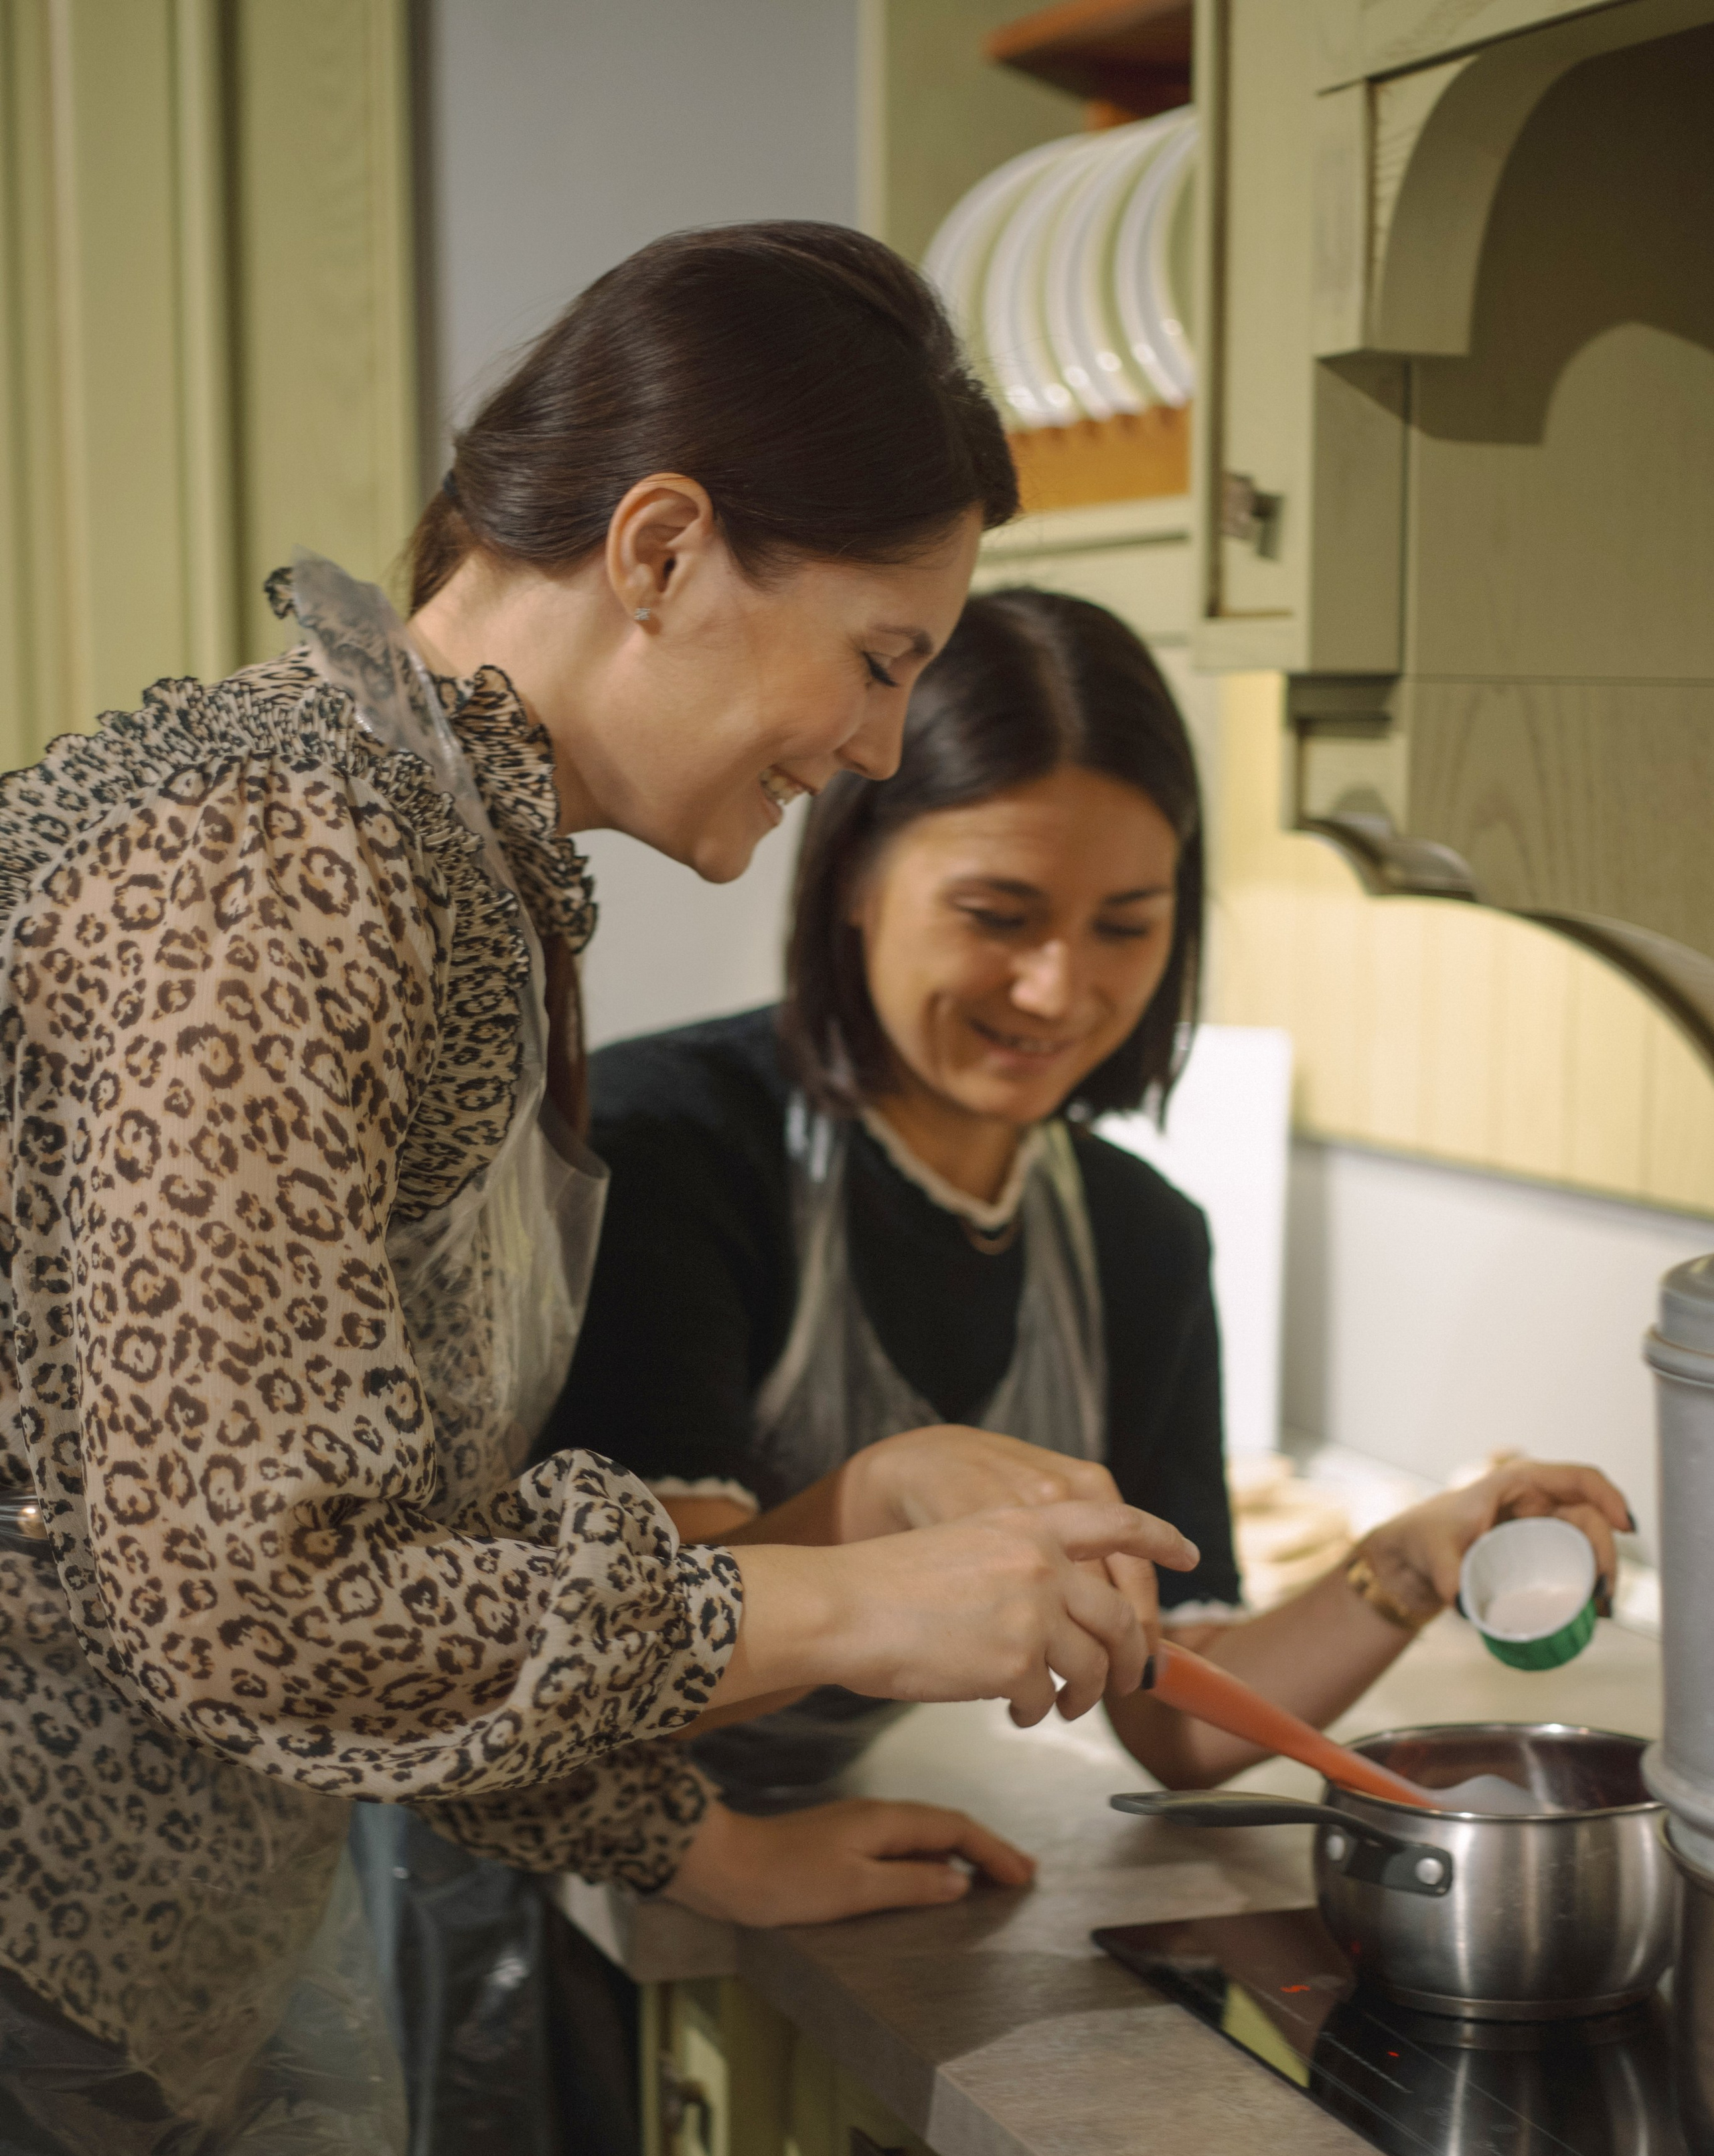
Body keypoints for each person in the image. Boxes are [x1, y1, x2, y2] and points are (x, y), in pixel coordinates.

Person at [0, 226, 1199, 2156]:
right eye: (880, 659)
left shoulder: (439, 853)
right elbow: (259, 1604)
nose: (876, 746)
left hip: (159, 2019)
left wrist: (707, 1794)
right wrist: (843, 1608)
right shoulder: (290, 858)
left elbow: (377, 1530)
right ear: (659, 548)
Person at [550, 584, 1632, 1799]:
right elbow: (634, 1666)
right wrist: (876, 1499)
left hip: (810, 1825)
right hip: (564, 1861)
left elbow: (1175, 1712)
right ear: (855, 876)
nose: (1059, 991)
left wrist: (1404, 1567)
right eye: (997, 915)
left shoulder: (1140, 1233)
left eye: (1125, 927)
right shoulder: (670, 1150)